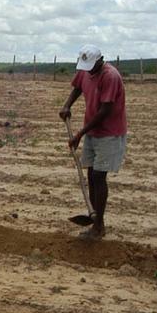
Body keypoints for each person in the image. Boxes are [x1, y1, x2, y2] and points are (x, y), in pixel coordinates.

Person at [59, 43, 127, 240]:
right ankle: (95, 217)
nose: (88, 71)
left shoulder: (110, 76)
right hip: (92, 131)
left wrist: (79, 134)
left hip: (109, 133)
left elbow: (105, 111)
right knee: (91, 174)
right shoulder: (85, 70)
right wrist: (67, 105)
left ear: (101, 60)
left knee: (99, 175)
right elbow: (77, 87)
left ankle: (98, 226)